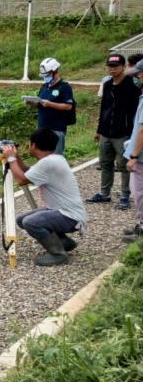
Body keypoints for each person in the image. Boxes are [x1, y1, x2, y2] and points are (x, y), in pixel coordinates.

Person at [1, 128, 87, 266]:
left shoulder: (48, 163)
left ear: (34, 145)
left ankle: (58, 254)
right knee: (22, 220)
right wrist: (16, 157)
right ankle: (64, 243)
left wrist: (10, 158)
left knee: (31, 222)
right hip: (63, 211)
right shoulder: (55, 159)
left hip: (69, 216)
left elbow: (22, 180)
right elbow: (29, 172)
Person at [86, 53, 140, 209]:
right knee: (105, 163)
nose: (112, 69)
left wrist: (132, 133)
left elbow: (136, 111)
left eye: (116, 66)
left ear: (123, 67)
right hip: (105, 132)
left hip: (123, 133)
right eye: (110, 66)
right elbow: (104, 108)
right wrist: (98, 129)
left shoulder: (131, 86)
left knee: (124, 165)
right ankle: (104, 193)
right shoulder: (108, 84)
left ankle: (125, 195)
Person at [24, 57, 75, 154]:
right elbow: (40, 103)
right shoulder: (44, 87)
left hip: (56, 130)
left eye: (47, 75)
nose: (46, 77)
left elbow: (68, 106)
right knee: (42, 159)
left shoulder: (64, 87)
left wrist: (49, 104)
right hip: (42, 129)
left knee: (55, 159)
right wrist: (31, 102)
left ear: (56, 71)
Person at [123, 55, 143, 242]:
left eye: (138, 74)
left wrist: (134, 155)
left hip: (141, 157)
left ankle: (142, 229)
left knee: (139, 192)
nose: (137, 78)